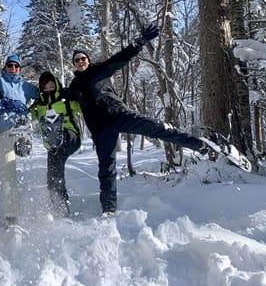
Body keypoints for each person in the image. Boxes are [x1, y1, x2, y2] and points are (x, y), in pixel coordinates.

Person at [68, 23, 209, 215]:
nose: (81, 61)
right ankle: (109, 212)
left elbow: (120, 58)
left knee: (158, 128)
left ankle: (199, 144)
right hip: (100, 131)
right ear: (73, 64)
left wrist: (139, 42)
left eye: (83, 58)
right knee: (106, 171)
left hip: (119, 115)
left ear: (88, 59)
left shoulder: (99, 70)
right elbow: (54, 98)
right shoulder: (73, 87)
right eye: (77, 60)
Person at [0, 54, 38, 225]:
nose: (13, 68)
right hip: (2, 131)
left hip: (21, 129)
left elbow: (42, 93)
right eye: (10, 65)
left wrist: (32, 110)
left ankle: (32, 205)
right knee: (8, 173)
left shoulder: (25, 86)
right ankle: (12, 215)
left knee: (27, 168)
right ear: (5, 67)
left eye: (16, 66)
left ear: (20, 69)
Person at [31, 71, 83, 218]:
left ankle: (57, 135)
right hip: (53, 147)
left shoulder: (64, 99)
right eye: (46, 87)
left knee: (58, 137)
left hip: (70, 136)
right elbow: (27, 117)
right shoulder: (38, 105)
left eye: (52, 86)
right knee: (53, 177)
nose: (49, 89)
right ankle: (60, 210)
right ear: (41, 88)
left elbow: (83, 106)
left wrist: (75, 95)